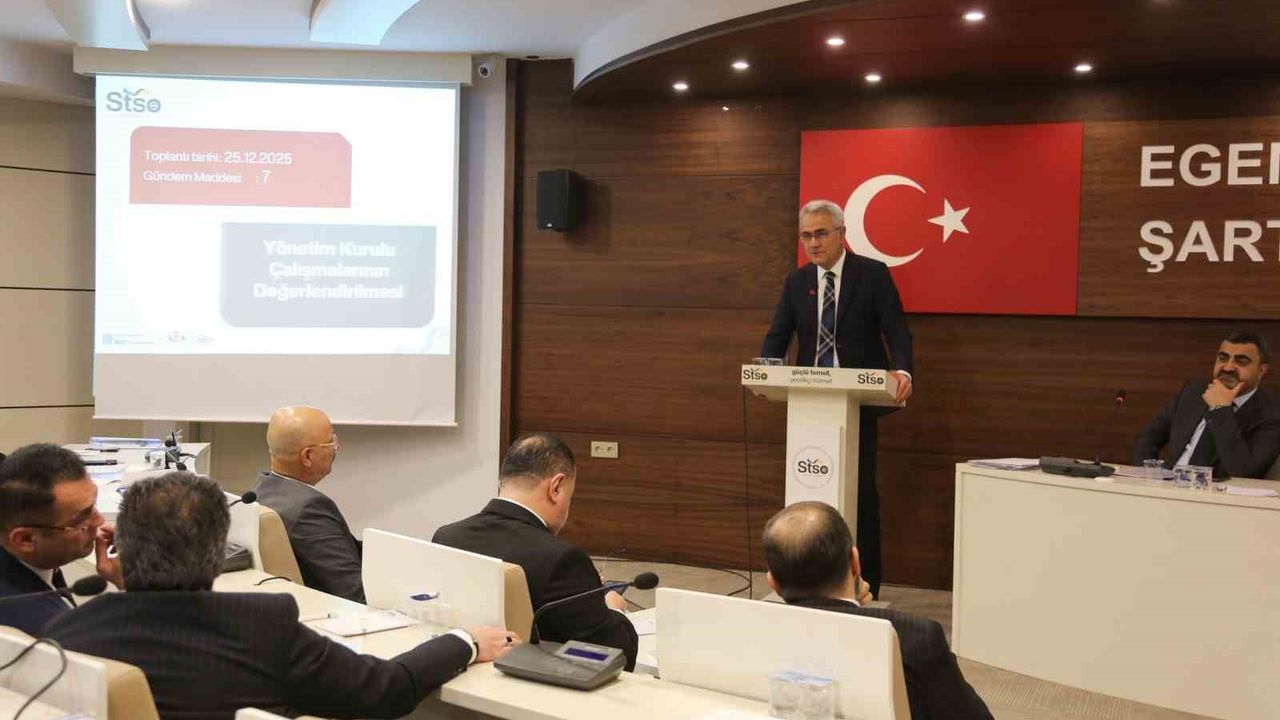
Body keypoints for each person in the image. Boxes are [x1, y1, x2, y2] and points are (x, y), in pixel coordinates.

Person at [45, 472, 518, 720]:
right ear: (218, 552)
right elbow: (384, 690)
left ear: (121, 547)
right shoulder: (260, 626)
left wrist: (130, 582)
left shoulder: (68, 631)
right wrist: (466, 641)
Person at [760, 199, 914, 597]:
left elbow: (896, 328)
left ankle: (865, 584)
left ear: (841, 234)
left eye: (821, 234)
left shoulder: (872, 274)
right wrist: (767, 366)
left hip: (857, 405)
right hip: (809, 404)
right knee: (806, 497)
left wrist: (903, 369)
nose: (813, 243)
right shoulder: (797, 282)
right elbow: (779, 334)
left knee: (861, 496)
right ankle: (802, 580)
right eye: (806, 236)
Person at [762, 502, 992, 720]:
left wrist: (855, 613)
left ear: (772, 582)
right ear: (855, 562)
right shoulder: (916, 638)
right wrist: (857, 614)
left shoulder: (754, 632)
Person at [433, 434, 639, 669]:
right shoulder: (562, 560)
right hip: (533, 684)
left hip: (458, 673)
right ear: (556, 488)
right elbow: (618, 655)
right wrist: (613, 608)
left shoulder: (446, 537)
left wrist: (583, 589)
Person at [0, 444, 122, 635]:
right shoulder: (43, 626)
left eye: (94, 505)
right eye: (82, 518)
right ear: (26, 539)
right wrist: (134, 586)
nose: (99, 520)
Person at [1132, 329, 1280, 479]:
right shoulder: (1193, 393)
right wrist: (1149, 475)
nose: (1228, 368)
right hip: (1168, 485)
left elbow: (1244, 472)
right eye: (1223, 358)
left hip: (1217, 492)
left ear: (1261, 371)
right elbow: (1146, 438)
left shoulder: (1272, 415)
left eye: (1241, 361)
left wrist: (1220, 409)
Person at [252, 405, 364, 602]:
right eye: (331, 441)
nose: (336, 447)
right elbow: (356, 594)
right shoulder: (309, 510)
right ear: (307, 457)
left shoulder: (261, 490)